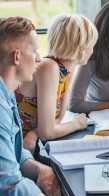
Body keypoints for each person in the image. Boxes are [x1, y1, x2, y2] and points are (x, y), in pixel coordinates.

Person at [14, 14, 98, 163]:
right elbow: (48, 132)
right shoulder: (49, 67)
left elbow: (59, 117)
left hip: (28, 147)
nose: (93, 49)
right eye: (91, 44)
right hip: (16, 151)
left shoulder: (67, 70)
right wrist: (77, 124)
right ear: (82, 48)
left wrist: (35, 133)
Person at [0, 16, 60, 196]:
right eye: (34, 51)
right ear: (16, 57)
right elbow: (10, 185)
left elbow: (13, 153)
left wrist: (40, 168)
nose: (38, 58)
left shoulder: (7, 94)